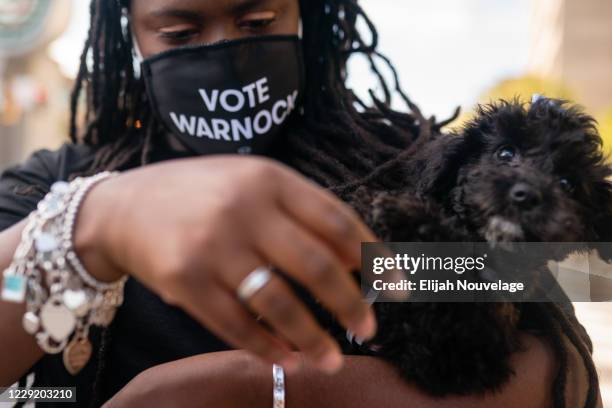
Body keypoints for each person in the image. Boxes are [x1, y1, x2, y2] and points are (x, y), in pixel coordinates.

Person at [0, 0, 596, 406]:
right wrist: (94, 227)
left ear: (306, 12)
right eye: (179, 34)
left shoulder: (407, 170)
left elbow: (558, 373)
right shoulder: (58, 187)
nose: (224, 52)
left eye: (257, 21)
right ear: (126, 26)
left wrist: (261, 387)